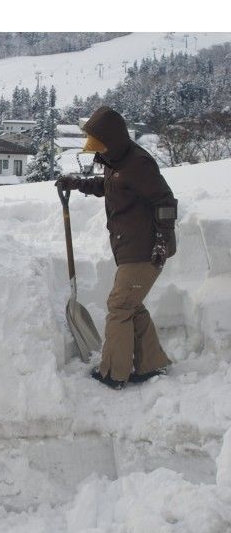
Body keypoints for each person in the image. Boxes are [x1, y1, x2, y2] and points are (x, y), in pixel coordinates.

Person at [56, 106, 178, 390]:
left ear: (114, 139)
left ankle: (113, 372)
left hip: (146, 250)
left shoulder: (137, 163)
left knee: (120, 305)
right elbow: (114, 187)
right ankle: (150, 364)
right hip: (131, 247)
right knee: (130, 305)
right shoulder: (117, 161)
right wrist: (78, 183)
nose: (96, 150)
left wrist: (161, 240)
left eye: (100, 144)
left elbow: (165, 202)